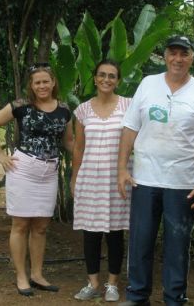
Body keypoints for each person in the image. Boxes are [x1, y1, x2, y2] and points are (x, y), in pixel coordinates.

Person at [117, 35, 194, 306]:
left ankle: (175, 298)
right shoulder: (148, 84)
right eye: (173, 53)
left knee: (177, 247)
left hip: (183, 183)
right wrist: (121, 170)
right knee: (140, 242)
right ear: (165, 56)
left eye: (183, 54)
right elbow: (130, 128)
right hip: (144, 179)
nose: (178, 59)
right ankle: (137, 296)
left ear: (192, 58)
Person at [0, 63, 73, 297]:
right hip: (23, 169)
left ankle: (37, 274)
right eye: (38, 82)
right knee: (21, 224)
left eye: (46, 81)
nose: (42, 86)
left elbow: (69, 143)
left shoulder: (64, 110)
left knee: (42, 227)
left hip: (49, 171)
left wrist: (91, 157)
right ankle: (21, 276)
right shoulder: (21, 106)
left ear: (53, 82)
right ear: (32, 86)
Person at [71, 60, 131, 302]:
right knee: (91, 233)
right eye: (102, 75)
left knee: (115, 233)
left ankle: (113, 284)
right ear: (94, 78)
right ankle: (93, 282)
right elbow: (78, 147)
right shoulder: (83, 110)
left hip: (117, 178)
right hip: (90, 177)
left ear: (118, 80)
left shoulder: (129, 106)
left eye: (112, 76)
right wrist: (74, 178)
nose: (107, 80)